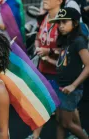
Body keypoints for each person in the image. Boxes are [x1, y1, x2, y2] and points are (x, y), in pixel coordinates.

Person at [46, 7, 89, 139]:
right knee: (60, 121)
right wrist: (48, 59)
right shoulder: (66, 41)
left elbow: (88, 66)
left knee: (67, 123)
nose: (61, 26)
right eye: (59, 23)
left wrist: (73, 86)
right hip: (61, 86)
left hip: (70, 89)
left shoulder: (79, 41)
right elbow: (63, 64)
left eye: (65, 22)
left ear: (75, 23)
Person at [26, 0, 64, 138]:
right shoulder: (45, 17)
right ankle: (35, 135)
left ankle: (78, 131)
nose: (44, 1)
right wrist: (37, 47)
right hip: (43, 70)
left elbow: (69, 49)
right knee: (42, 103)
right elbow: (38, 38)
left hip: (58, 73)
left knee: (65, 114)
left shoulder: (64, 20)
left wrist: (49, 52)